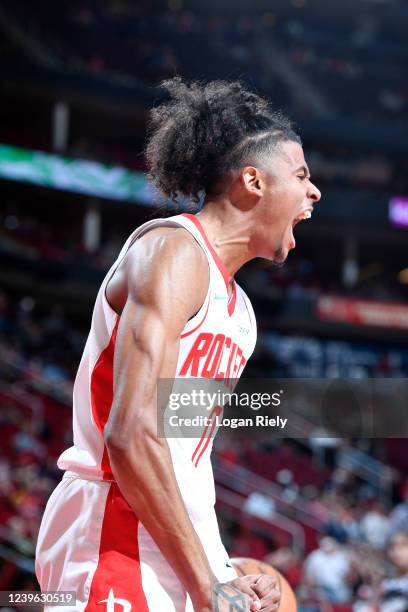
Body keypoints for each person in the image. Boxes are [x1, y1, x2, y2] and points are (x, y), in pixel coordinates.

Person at [35, 77, 321, 611]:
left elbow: (183, 453)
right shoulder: (171, 251)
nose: (314, 191)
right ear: (253, 181)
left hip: (165, 538)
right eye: (302, 175)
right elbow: (131, 437)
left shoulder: (241, 315)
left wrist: (221, 565)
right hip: (110, 528)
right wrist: (208, 584)